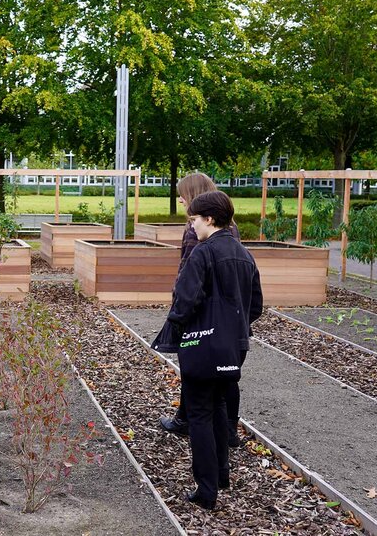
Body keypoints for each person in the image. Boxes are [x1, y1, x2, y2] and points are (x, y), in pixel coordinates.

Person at [152, 191, 262, 509]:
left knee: (199, 413)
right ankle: (221, 475)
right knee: (218, 408)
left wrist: (179, 326)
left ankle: (206, 490)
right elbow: (255, 305)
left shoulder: (202, 254)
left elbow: (185, 301)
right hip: (234, 346)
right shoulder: (244, 254)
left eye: (194, 220)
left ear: (209, 219)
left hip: (203, 344)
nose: (192, 226)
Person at [160, 173, 242, 445]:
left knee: (194, 366)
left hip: (202, 310)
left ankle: (188, 421)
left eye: (182, 194)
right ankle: (228, 430)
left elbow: (189, 272)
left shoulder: (196, 230)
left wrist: (178, 311)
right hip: (230, 312)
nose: (180, 199)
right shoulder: (231, 228)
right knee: (227, 373)